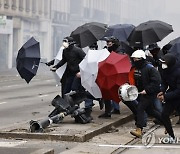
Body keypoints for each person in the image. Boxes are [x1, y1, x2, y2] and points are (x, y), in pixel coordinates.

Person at [129, 49, 163, 138]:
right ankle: (165, 120)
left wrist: (147, 90)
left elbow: (156, 81)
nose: (135, 61)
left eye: (137, 59)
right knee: (150, 110)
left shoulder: (149, 68)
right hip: (141, 93)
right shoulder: (136, 68)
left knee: (140, 108)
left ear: (142, 59)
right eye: (134, 59)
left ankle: (139, 129)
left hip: (149, 93)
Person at [157, 53, 180, 141]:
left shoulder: (178, 72)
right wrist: (161, 91)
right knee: (164, 115)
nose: (163, 65)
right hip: (172, 95)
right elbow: (164, 82)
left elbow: (179, 91)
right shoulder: (165, 71)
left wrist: (165, 96)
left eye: (164, 63)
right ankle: (171, 136)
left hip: (176, 95)